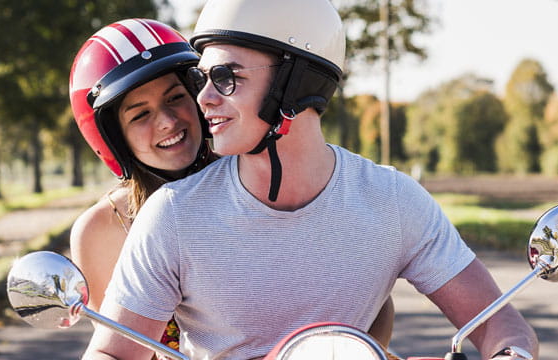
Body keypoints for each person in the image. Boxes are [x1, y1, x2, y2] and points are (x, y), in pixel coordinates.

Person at [84, 1, 538, 359]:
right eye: (203, 77)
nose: (202, 98)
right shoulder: (174, 215)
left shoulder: (394, 200)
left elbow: (503, 325)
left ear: (295, 81)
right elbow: (112, 353)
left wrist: (510, 354)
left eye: (224, 77)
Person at [66, 18, 393, 351]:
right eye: (140, 115)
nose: (167, 121)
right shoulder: (100, 231)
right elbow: (118, 349)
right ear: (113, 138)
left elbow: (373, 303)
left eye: (176, 98)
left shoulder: (261, 180)